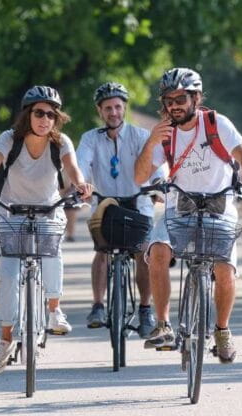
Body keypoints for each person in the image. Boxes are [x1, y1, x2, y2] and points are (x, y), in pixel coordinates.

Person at [134, 68, 242, 363]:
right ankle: (163, 324)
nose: (174, 105)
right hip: (178, 207)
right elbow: (139, 176)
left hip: (219, 207)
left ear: (195, 97)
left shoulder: (217, 124)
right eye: (168, 100)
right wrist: (152, 142)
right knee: (156, 250)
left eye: (180, 98)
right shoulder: (164, 133)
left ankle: (221, 330)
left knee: (224, 269)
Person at [0, 85, 93, 374]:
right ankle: (5, 341)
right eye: (39, 112)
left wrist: (80, 185)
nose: (45, 119)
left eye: (51, 114)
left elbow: (72, 169)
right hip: (12, 210)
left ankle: (53, 310)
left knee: (52, 252)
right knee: (10, 276)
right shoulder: (9, 139)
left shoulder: (60, 142)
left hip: (48, 209)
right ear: (28, 114)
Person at [76, 81, 161, 338]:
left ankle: (146, 309)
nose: (113, 112)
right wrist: (80, 183)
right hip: (104, 203)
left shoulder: (141, 136)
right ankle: (98, 306)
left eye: (117, 107)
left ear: (124, 108)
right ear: (100, 111)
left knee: (142, 253)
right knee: (102, 251)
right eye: (108, 108)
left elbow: (158, 164)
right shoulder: (90, 138)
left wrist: (158, 186)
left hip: (139, 203)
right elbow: (80, 163)